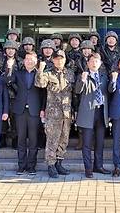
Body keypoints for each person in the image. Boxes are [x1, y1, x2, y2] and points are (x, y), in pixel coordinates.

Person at [35, 49, 75, 178]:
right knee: (52, 140)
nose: (59, 60)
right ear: (53, 60)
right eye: (56, 58)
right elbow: (40, 84)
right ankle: (51, 165)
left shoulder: (70, 73)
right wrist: (40, 70)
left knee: (64, 139)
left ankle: (59, 162)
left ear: (65, 60)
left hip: (67, 113)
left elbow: (74, 94)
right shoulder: (48, 73)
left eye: (61, 58)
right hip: (53, 114)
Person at [7, 52, 45, 175]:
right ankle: (21, 165)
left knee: (33, 140)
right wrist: (9, 67)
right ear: (24, 61)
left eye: (32, 59)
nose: (29, 61)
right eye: (27, 59)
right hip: (20, 110)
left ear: (36, 61)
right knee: (21, 139)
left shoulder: (40, 74)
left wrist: (43, 109)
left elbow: (44, 94)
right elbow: (8, 81)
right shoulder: (18, 73)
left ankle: (31, 166)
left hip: (35, 110)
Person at [74, 53, 110, 178]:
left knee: (100, 142)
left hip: (101, 112)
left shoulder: (104, 76)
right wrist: (83, 80)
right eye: (92, 61)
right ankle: (88, 168)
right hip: (88, 112)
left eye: (97, 61)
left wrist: (114, 80)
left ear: (100, 64)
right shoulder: (83, 75)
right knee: (87, 143)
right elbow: (77, 90)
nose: (94, 63)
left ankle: (98, 166)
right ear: (88, 63)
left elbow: (109, 91)